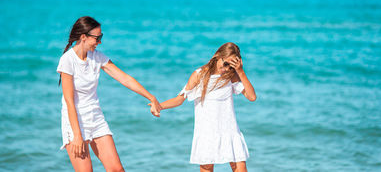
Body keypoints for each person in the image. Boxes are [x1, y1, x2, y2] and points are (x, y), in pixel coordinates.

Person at [57, 16, 161, 172]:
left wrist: (151, 97)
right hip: (74, 123)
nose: (100, 42)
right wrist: (77, 135)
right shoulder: (67, 60)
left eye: (101, 37)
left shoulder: (97, 56)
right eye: (97, 38)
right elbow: (69, 100)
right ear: (83, 37)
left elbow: (125, 78)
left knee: (117, 169)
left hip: (96, 118)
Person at [157, 42, 256, 172]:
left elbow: (252, 97)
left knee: (240, 168)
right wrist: (159, 106)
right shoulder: (199, 75)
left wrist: (240, 71)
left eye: (231, 66)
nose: (227, 69)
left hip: (229, 131)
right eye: (226, 63)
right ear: (217, 56)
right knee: (207, 168)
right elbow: (180, 99)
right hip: (207, 133)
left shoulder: (231, 76)